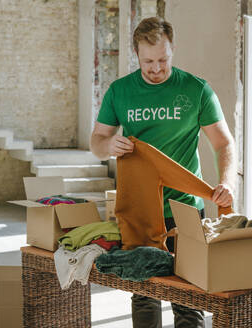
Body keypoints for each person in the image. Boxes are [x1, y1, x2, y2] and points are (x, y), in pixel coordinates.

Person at [90, 17, 236, 328]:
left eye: (163, 60)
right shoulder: (120, 91)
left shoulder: (196, 90)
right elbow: (96, 141)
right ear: (136, 55)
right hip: (139, 210)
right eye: (148, 62)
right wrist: (108, 146)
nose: (156, 68)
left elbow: (223, 143)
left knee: (188, 295)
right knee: (144, 292)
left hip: (185, 209)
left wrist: (225, 180)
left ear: (172, 50)